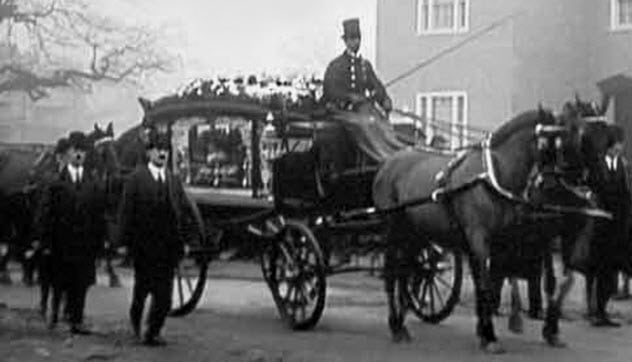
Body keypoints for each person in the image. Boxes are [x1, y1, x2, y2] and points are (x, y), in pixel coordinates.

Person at [118, 130, 188, 346]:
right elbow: (126, 212)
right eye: (158, 150)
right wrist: (123, 243)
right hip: (144, 245)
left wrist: (183, 242)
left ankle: (153, 331)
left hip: (167, 246)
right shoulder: (135, 179)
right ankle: (136, 322)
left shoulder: (174, 181)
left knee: (164, 296)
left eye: (166, 150)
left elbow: (182, 213)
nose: (163, 154)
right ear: (149, 153)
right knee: (142, 289)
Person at [39, 131, 105, 334]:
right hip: (61, 243)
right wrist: (46, 242)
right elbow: (45, 214)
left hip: (84, 244)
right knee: (59, 281)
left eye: (82, 151)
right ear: (68, 153)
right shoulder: (56, 182)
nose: (79, 155)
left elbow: (98, 215)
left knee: (81, 283)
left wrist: (99, 244)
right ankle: (55, 313)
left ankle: (77, 320)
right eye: (76, 150)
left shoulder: (92, 183)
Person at [587, 125, 631, 327]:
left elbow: (625, 194)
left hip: (617, 226)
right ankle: (597, 311)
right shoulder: (597, 166)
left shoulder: (621, 165)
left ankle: (603, 310)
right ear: (609, 146)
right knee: (600, 269)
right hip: (600, 226)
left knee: (611, 271)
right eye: (615, 146)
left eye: (620, 146)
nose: (618, 150)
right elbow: (595, 191)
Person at [323, 18, 392, 113]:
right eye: (352, 39)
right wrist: (348, 97)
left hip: (361, 113)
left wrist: (384, 100)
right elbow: (330, 91)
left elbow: (375, 86)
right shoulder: (335, 66)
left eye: (358, 38)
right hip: (340, 115)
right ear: (346, 41)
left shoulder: (365, 66)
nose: (356, 42)